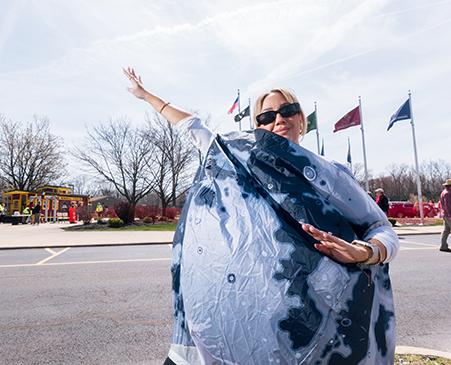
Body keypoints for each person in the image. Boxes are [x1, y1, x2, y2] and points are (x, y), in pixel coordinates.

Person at [123, 68, 399, 364]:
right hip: (248, 328)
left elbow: (381, 229)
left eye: (287, 110)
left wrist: (363, 252)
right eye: (267, 116)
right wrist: (146, 96)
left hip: (321, 329)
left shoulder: (329, 173)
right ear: (257, 126)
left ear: (301, 118)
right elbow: (193, 127)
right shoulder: (235, 162)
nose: (278, 119)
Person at [439, 179, 451, 252]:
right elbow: (448, 205)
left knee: (446, 230)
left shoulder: (444, 192)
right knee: (446, 230)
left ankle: (443, 245)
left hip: (445, 214)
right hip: (448, 214)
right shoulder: (448, 193)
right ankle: (443, 245)